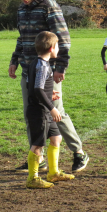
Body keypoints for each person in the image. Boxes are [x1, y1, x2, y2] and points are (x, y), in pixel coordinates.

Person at [9, 0, 89, 173]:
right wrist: (14, 60)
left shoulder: (48, 5)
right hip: (28, 69)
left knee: (56, 113)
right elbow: (22, 38)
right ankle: (37, 156)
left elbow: (63, 38)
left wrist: (60, 66)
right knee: (32, 115)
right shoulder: (21, 9)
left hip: (48, 71)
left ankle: (79, 152)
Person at [26, 31, 75, 189]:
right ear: (52, 48)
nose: (59, 48)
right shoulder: (42, 65)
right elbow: (38, 90)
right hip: (39, 112)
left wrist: (50, 94)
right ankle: (32, 179)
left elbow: (35, 87)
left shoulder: (37, 62)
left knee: (56, 137)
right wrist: (52, 108)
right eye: (58, 45)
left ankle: (53, 173)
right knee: (38, 145)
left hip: (44, 109)